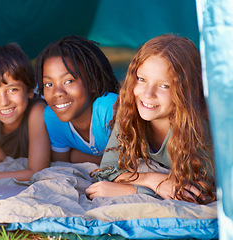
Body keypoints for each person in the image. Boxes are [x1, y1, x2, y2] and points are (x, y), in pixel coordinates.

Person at [86, 34, 216, 204]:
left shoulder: (199, 125)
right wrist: (153, 181)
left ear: (186, 91)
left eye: (164, 86)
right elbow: (107, 171)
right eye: (141, 80)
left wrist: (133, 189)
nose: (148, 95)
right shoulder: (130, 111)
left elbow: (201, 192)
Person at [35, 35, 120, 165]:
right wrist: (73, 157)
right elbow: (62, 164)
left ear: (93, 83)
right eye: (48, 84)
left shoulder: (108, 107)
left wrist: (75, 156)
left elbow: (125, 163)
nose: (57, 93)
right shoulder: (51, 117)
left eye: (68, 81)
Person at [0, 43, 50, 183]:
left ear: (30, 90)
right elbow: (0, 160)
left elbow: (37, 172)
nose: (3, 102)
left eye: (12, 90)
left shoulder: (37, 112)